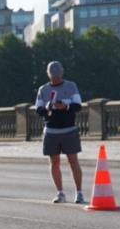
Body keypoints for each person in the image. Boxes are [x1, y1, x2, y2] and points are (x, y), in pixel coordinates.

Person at [35, 62, 85, 204]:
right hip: (51, 130)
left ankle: (79, 192)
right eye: (53, 75)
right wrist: (46, 108)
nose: (55, 78)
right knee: (54, 161)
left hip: (69, 129)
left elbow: (78, 106)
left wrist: (66, 106)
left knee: (73, 161)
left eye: (57, 75)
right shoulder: (43, 89)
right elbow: (38, 110)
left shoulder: (71, 86)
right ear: (48, 74)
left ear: (62, 73)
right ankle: (60, 193)